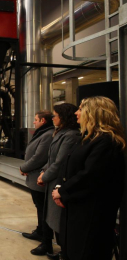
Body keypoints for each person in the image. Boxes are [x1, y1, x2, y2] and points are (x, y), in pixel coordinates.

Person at [52, 97, 125, 260]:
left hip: (91, 215)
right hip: (77, 210)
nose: (77, 113)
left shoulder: (106, 141)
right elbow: (66, 165)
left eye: (80, 109)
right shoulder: (88, 138)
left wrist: (63, 191)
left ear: (94, 113)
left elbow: (90, 176)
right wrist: (59, 188)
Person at [31, 103, 79, 257]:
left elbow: (60, 162)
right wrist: (43, 172)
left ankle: (64, 252)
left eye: (55, 115)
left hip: (59, 183)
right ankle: (50, 246)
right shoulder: (59, 133)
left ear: (63, 117)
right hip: (51, 180)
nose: (53, 118)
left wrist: (44, 176)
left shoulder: (70, 136)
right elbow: (51, 159)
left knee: (58, 220)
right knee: (50, 217)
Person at [20, 111, 55, 242]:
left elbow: (39, 157)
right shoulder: (43, 133)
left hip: (38, 177)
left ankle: (43, 234)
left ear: (43, 121)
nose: (33, 122)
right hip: (33, 175)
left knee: (42, 207)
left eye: (36, 119)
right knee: (39, 206)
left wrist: (24, 167)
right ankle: (40, 230)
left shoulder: (47, 135)